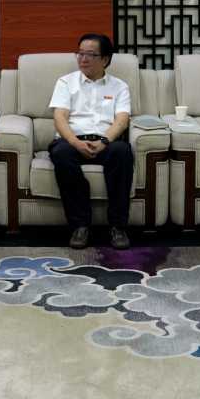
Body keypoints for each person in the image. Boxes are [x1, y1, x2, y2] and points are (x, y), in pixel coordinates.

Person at [48, 33, 134, 250]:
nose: (83, 59)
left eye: (90, 55)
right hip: (72, 141)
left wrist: (104, 140)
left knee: (122, 152)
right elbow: (59, 117)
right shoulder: (66, 82)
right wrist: (74, 142)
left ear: (105, 59)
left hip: (106, 142)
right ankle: (80, 225)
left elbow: (122, 120)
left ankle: (118, 226)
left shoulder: (119, 86)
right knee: (61, 153)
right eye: (80, 53)